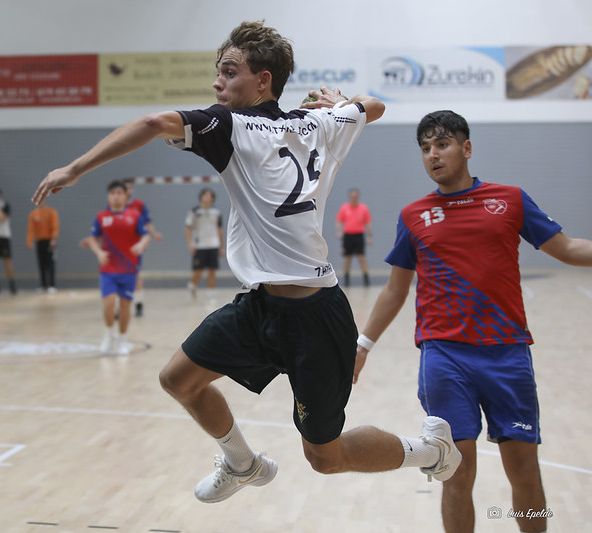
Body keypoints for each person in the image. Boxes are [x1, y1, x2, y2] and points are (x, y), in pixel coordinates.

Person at [33, 20, 460, 505]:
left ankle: (429, 452)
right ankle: (242, 462)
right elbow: (375, 105)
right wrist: (341, 103)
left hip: (316, 317)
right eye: (218, 72)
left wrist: (74, 168)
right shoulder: (322, 123)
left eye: (230, 72)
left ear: (263, 81)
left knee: (326, 457)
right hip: (261, 306)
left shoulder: (230, 126)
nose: (218, 83)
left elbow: (152, 124)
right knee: (179, 379)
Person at [354, 110, 592, 533]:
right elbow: (394, 289)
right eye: (425, 148)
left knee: (525, 470)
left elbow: (568, 248)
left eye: (442, 144)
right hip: (445, 358)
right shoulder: (414, 215)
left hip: (507, 355)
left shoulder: (511, 200)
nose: (433, 154)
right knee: (457, 472)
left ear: (466, 148)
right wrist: (363, 346)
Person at [88, 180, 151, 355]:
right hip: (108, 270)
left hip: (129, 269)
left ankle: (122, 339)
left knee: (125, 306)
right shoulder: (101, 217)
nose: (116, 196)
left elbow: (146, 236)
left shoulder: (135, 216)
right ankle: (108, 335)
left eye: (119, 193)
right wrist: (99, 252)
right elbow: (93, 238)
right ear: (108, 196)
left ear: (125, 196)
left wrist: (141, 245)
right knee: (109, 303)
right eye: (113, 193)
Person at [124, 179, 162, 317]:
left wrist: (154, 233)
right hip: (119, 246)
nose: (127, 190)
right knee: (118, 274)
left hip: (135, 244)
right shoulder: (115, 205)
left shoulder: (139, 205)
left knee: (135, 273)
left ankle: (139, 303)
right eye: (125, 188)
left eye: (129, 188)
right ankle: (118, 306)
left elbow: (147, 222)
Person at [185, 187, 224, 300]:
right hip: (199, 245)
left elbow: (219, 229)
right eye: (205, 195)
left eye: (210, 195)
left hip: (213, 245)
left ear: (213, 198)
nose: (207, 197)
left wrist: (221, 246)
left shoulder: (216, 212)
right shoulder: (194, 212)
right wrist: (190, 243)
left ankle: (211, 296)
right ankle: (192, 285)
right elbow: (187, 228)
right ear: (201, 197)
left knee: (212, 271)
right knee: (199, 271)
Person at [335, 187, 373, 287]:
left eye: (355, 197)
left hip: (359, 235)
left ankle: (366, 278)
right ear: (349, 197)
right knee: (347, 257)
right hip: (348, 236)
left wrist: (369, 236)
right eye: (352, 197)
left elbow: (367, 223)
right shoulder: (344, 208)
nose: (354, 198)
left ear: (358, 197)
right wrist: (339, 232)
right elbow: (339, 221)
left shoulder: (363, 208)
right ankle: (346, 279)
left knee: (361, 257)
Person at [26, 203, 60, 292]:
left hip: (49, 241)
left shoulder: (51, 212)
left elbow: (55, 226)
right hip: (39, 241)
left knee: (50, 263)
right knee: (41, 263)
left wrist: (53, 238)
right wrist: (29, 241)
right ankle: (43, 284)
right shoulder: (33, 214)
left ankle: (52, 284)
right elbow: (31, 229)